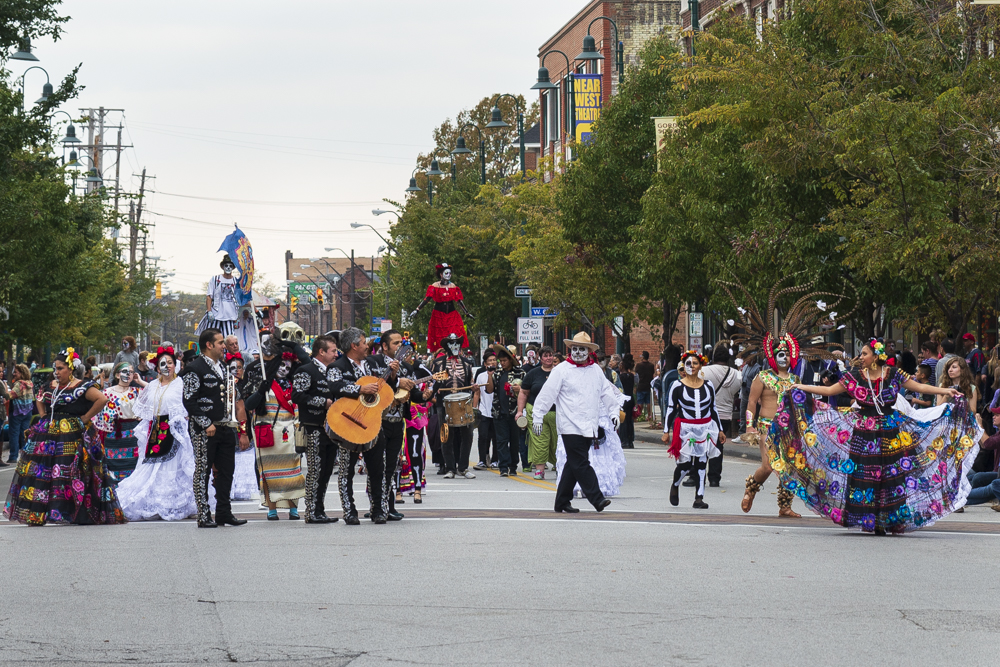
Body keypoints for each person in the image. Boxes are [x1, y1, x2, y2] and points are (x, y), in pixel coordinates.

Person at [774, 339, 980, 534]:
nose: (861, 357)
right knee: (865, 476)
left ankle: (889, 519)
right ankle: (869, 519)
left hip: (891, 433)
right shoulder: (855, 376)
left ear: (875, 356)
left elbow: (920, 387)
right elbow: (829, 390)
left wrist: (945, 391)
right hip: (863, 434)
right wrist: (800, 387)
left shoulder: (893, 374)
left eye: (864, 353)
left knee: (891, 476)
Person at [716, 273, 847, 518]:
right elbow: (752, 401)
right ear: (772, 355)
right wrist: (750, 427)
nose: (783, 356)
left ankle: (784, 506)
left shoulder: (796, 381)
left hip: (789, 428)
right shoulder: (763, 377)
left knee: (789, 467)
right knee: (768, 466)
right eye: (779, 352)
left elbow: (804, 404)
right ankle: (751, 488)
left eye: (787, 353)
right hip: (766, 427)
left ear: (793, 356)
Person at [4, 350, 126, 526]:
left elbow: (102, 399)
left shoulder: (83, 386)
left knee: (70, 471)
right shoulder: (50, 385)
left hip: (72, 435)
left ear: (70, 369)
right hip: (48, 434)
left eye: (60, 368)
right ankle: (42, 513)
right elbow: (39, 398)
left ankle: (73, 512)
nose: (57, 372)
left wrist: (85, 418)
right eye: (55, 368)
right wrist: (44, 415)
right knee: (44, 472)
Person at [532, 332, 621, 513]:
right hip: (569, 424)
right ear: (570, 350)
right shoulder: (561, 370)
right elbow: (547, 394)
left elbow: (606, 392)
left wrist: (614, 412)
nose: (578, 353)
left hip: (590, 424)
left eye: (582, 349)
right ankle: (597, 498)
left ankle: (561, 501)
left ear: (588, 351)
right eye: (575, 349)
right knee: (581, 462)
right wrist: (538, 415)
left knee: (573, 464)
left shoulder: (595, 370)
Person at [115, 347, 198, 521]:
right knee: (151, 468)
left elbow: (187, 407)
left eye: (170, 363)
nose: (167, 366)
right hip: (156, 431)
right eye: (163, 364)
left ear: (175, 365)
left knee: (177, 468)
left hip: (176, 432)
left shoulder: (181, 384)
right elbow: (148, 403)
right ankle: (153, 504)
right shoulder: (153, 385)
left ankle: (178, 504)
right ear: (157, 368)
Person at [327, 327, 396, 525]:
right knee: (346, 470)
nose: (367, 346)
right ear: (354, 346)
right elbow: (335, 386)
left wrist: (392, 376)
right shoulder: (337, 366)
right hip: (349, 424)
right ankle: (349, 511)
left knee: (378, 469)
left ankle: (378, 509)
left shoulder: (374, 363)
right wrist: (360, 389)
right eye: (364, 343)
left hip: (372, 424)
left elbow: (385, 389)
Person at [181, 328, 246, 528]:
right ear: (209, 345)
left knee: (227, 471)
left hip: (225, 426)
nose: (224, 346)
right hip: (205, 429)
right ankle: (203, 514)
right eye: (220, 343)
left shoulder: (224, 367)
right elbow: (189, 401)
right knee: (203, 471)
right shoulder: (194, 368)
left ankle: (224, 513)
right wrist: (205, 422)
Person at [364, 329, 425, 520]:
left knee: (391, 466)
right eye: (396, 343)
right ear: (384, 346)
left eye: (401, 342)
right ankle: (376, 507)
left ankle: (388, 506)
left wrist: (425, 396)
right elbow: (376, 385)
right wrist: (396, 378)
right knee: (377, 466)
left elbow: (411, 393)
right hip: (378, 421)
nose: (400, 346)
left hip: (398, 422)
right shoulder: (372, 363)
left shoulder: (408, 366)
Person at [246, 348, 305, 520]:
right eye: (280, 366)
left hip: (290, 432)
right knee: (270, 474)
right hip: (269, 433)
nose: (284, 370)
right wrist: (260, 391)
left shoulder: (295, 385)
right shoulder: (264, 383)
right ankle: (272, 509)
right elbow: (250, 404)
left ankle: (293, 508)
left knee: (293, 472)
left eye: (288, 367)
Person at [661, 351, 723, 509]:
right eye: (688, 363)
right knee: (685, 464)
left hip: (705, 427)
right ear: (684, 366)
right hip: (686, 429)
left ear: (701, 365)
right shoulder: (677, 385)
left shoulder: (708, 385)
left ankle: (699, 498)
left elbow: (713, 408)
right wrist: (666, 431)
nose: (692, 366)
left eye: (695, 363)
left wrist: (720, 430)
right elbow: (670, 409)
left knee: (702, 462)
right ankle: (675, 485)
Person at [291, 334, 340, 524]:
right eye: (333, 351)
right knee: (316, 470)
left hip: (332, 428)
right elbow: (297, 396)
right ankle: (311, 511)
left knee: (327, 470)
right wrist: (323, 402)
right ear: (321, 351)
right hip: (313, 428)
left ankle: (320, 509)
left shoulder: (334, 371)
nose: (336, 355)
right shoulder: (306, 370)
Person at [431, 333, 478, 479]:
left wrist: (473, 387)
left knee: (467, 434)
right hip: (444, 403)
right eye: (452, 344)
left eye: (457, 343)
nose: (455, 346)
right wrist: (435, 389)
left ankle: (463, 468)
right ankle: (450, 468)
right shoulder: (438, 363)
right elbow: (432, 383)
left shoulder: (467, 363)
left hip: (464, 402)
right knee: (446, 435)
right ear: (446, 347)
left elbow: (470, 381)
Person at [94, 361, 146, 482]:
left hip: (133, 435)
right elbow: (99, 417)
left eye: (131, 372)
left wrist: (140, 382)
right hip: (114, 435)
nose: (128, 375)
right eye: (125, 371)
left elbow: (155, 392)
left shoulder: (138, 392)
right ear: (117, 375)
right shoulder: (107, 393)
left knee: (133, 466)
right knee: (113, 465)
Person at [409, 263, 474, 353]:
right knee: (440, 338)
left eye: (450, 273)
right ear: (440, 274)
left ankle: (455, 353)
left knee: (455, 334)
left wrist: (466, 313)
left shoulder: (453, 286)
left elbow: (459, 301)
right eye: (446, 273)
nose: (449, 275)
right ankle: (440, 354)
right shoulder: (435, 286)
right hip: (439, 315)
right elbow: (427, 299)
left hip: (452, 315)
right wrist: (417, 309)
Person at [701, 344, 741, 487]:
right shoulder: (736, 374)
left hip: (706, 414)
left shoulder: (704, 371)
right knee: (718, 446)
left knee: (702, 444)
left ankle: (698, 475)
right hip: (725, 415)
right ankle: (714, 478)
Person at [517, 346, 558, 479]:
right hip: (536, 413)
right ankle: (540, 470)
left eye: (550, 355)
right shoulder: (533, 374)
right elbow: (523, 392)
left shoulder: (560, 373)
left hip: (557, 413)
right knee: (539, 440)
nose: (548, 358)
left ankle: (560, 466)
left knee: (558, 441)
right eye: (545, 356)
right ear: (540, 358)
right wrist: (519, 411)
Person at [485, 343, 525, 477]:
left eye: (504, 361)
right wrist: (489, 375)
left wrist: (519, 390)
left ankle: (513, 466)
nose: (502, 363)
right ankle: (503, 467)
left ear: (510, 360)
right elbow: (489, 390)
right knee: (501, 441)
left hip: (514, 412)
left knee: (514, 441)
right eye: (500, 361)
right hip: (499, 412)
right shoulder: (497, 374)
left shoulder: (521, 373)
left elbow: (527, 392)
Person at [225, 353, 258, 502]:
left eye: (239, 367)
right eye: (233, 368)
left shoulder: (248, 385)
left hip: (245, 422)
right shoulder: (224, 384)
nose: (236, 370)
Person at [197, 254, 242, 337]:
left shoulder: (236, 281)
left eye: (230, 266)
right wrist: (209, 311)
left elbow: (242, 298)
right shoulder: (215, 279)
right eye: (226, 265)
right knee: (211, 338)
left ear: (233, 267)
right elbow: (209, 296)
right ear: (222, 267)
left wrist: (256, 310)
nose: (228, 267)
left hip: (230, 316)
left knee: (229, 340)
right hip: (215, 315)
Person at [472, 350, 498, 470]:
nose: (492, 362)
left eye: (494, 360)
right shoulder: (481, 376)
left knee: (496, 437)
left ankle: (495, 460)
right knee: (483, 436)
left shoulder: (500, 374)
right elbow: (477, 393)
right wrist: (474, 408)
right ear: (485, 363)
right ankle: (482, 459)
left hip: (497, 410)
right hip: (484, 410)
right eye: (489, 361)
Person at [6, 364, 33, 464]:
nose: (14, 374)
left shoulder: (19, 384)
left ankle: (13, 456)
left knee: (14, 434)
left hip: (17, 412)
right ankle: (26, 454)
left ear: (21, 373)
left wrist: (5, 389)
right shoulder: (30, 383)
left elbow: (10, 396)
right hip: (28, 412)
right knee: (24, 434)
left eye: (16, 372)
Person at [618, 356, 636, 449]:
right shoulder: (631, 376)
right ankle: (630, 440)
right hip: (631, 399)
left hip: (624, 399)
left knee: (623, 421)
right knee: (629, 420)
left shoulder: (621, 377)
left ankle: (624, 440)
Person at [635, 351, 655, 425]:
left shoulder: (639, 365)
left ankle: (639, 415)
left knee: (640, 402)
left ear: (643, 357)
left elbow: (636, 374)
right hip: (648, 385)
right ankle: (649, 415)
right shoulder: (651, 365)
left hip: (641, 385)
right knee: (648, 402)